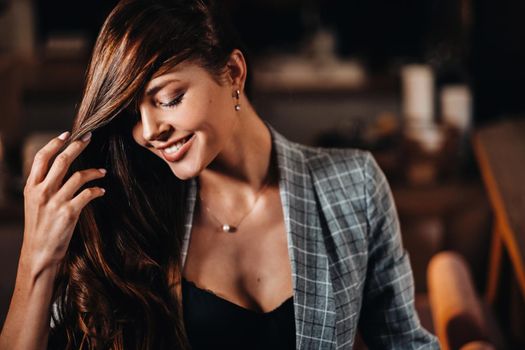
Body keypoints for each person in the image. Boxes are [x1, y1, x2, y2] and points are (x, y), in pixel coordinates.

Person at [0, 0, 440, 349]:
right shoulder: (126, 209)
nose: (150, 132)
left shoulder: (354, 185)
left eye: (168, 98)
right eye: (133, 114)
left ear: (233, 73)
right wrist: (37, 257)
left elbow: (405, 342)